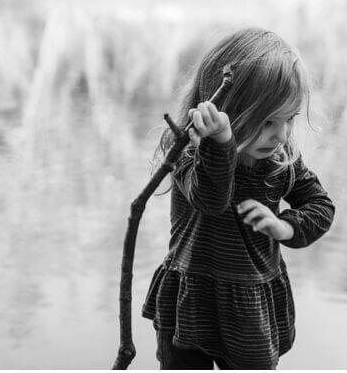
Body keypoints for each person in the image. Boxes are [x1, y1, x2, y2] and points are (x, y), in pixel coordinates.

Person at [141, 27, 335, 369]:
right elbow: (211, 199)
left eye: (289, 118)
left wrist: (284, 227)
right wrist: (220, 144)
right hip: (192, 298)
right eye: (268, 121)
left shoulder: (280, 160)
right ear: (225, 110)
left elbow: (321, 206)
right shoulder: (188, 153)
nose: (281, 134)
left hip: (249, 306)